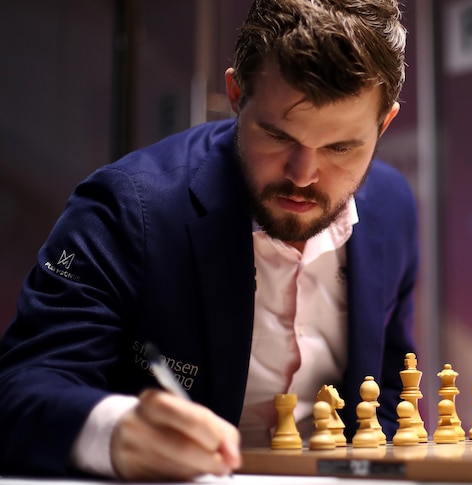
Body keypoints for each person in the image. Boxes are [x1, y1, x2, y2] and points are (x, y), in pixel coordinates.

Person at [0, 0, 416, 480]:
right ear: (236, 94)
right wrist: (114, 431)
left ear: (384, 124)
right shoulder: (126, 207)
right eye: (278, 136)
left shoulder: (393, 207)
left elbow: (387, 389)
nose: (303, 176)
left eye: (341, 147)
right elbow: (19, 389)